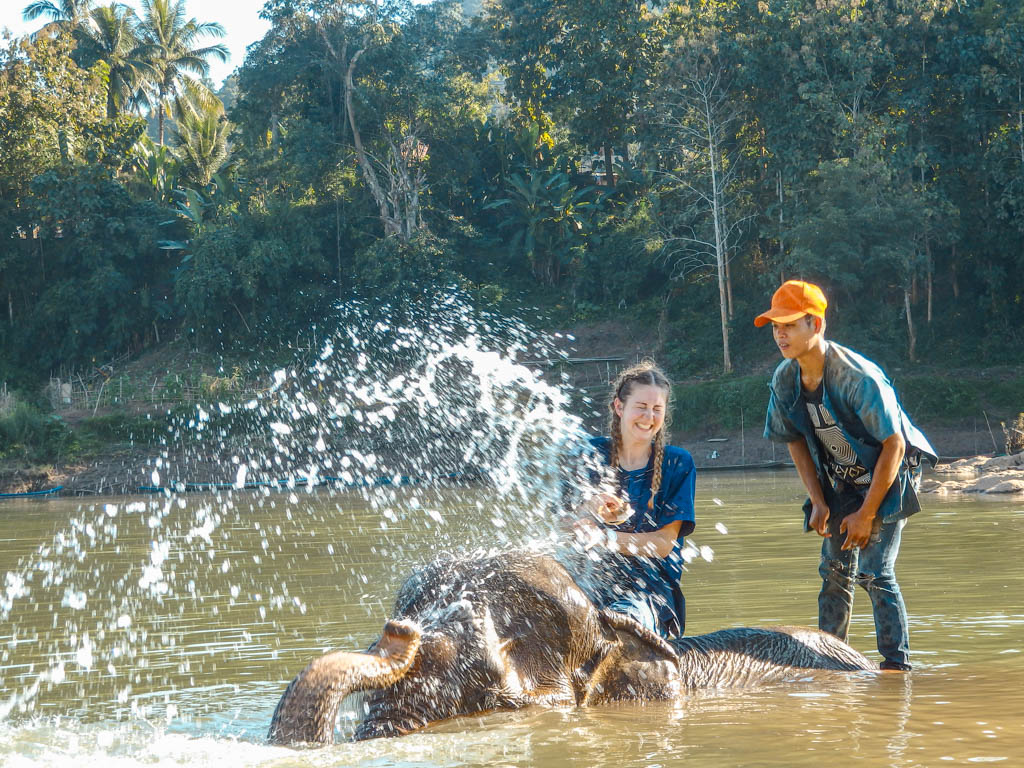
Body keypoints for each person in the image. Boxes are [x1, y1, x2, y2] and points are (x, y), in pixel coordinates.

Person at [755, 280, 936, 671]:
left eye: (789, 325)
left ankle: (896, 670)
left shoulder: (857, 377)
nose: (780, 335)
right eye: (776, 327)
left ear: (816, 325)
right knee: (834, 572)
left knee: (874, 572)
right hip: (843, 478)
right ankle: (830, 664)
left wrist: (867, 514)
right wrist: (819, 500)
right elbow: (793, 439)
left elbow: (894, 444)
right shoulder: (785, 379)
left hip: (892, 471)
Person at [569, 360, 696, 638]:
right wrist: (588, 508)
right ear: (619, 407)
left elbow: (663, 544)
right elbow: (561, 526)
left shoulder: (677, 463)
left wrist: (605, 538)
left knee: (615, 630)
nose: (649, 416)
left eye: (657, 409)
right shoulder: (589, 455)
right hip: (588, 584)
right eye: (641, 406)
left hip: (648, 595)